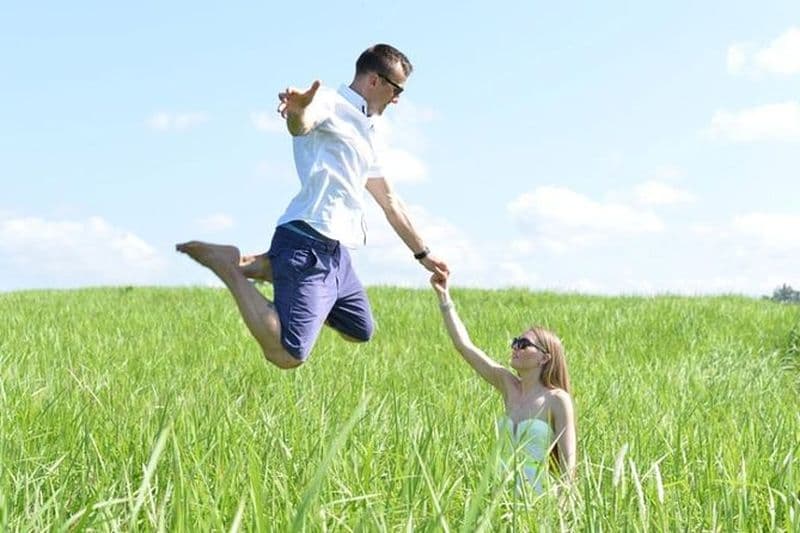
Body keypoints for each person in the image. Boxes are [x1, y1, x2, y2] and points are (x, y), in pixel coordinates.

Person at [176, 44, 448, 370]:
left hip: (336, 252)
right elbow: (301, 125)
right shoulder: (328, 103)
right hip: (308, 240)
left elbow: (389, 201)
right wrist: (297, 111)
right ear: (375, 80)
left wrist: (423, 254)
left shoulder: (366, 130)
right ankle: (229, 268)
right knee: (287, 355)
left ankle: (270, 267)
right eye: (397, 89)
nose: (397, 99)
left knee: (359, 328)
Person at [430, 273, 576, 493]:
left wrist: (561, 506)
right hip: (501, 496)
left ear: (544, 358)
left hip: (539, 499)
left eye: (524, 344)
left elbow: (568, 469)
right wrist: (444, 298)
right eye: (515, 342)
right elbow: (464, 346)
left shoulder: (557, 399)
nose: (515, 347)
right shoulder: (508, 385)